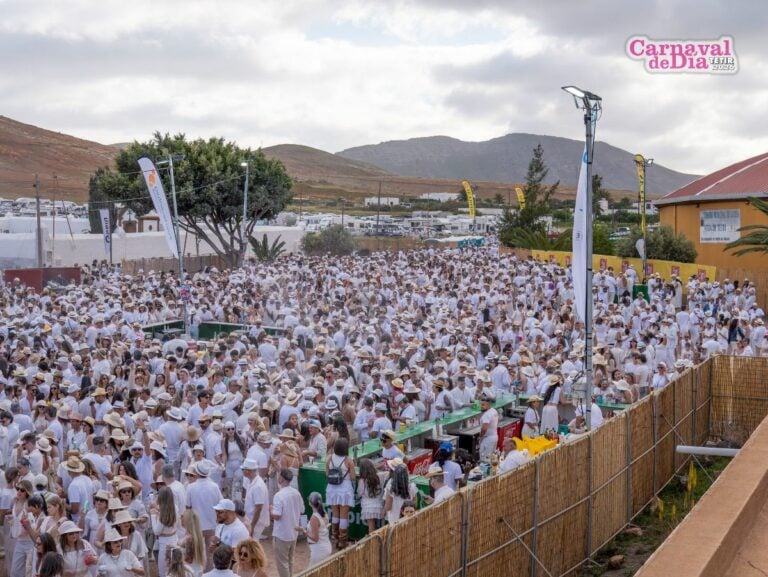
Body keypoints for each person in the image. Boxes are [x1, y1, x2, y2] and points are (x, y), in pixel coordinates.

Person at [270, 469, 303, 577]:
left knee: (282, 563)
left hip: (282, 534)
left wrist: (270, 509)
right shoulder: (296, 493)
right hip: (293, 533)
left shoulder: (279, 495)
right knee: (290, 561)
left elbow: (277, 516)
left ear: (281, 478)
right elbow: (302, 510)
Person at [325, 437, 355, 549]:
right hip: (345, 489)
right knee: (343, 516)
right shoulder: (348, 460)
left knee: (335, 514)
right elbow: (352, 477)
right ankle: (343, 541)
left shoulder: (329, 458)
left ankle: (335, 538)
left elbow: (327, 474)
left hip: (332, 489)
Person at [150, 486, 180, 577]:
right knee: (175, 569)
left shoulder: (163, 513)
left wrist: (153, 516)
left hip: (164, 543)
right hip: (175, 539)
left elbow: (156, 531)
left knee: (163, 572)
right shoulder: (175, 507)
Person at [299, 492, 332, 567]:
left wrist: (303, 531)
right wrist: (309, 524)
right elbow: (320, 527)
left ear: (310, 503)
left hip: (319, 550)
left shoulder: (314, 518)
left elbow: (315, 538)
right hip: (326, 547)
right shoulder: (324, 513)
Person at [241, 460, 269, 540]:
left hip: (256, 522)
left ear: (247, 471)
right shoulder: (252, 482)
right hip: (251, 519)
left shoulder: (258, 486)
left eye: (243, 470)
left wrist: (252, 526)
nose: (242, 471)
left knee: (252, 545)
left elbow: (258, 508)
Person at [357, 458, 384, 534]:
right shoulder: (379, 476)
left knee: (371, 527)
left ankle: (372, 543)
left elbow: (359, 493)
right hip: (379, 504)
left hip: (367, 507)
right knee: (380, 526)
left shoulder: (362, 481)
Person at [180, 510, 207, 577]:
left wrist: (175, 550)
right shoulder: (196, 536)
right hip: (196, 569)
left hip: (190, 571)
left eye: (183, 517)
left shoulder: (190, 539)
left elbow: (189, 559)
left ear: (187, 521)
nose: (181, 519)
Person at [478, 389, 499, 462]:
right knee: (492, 458)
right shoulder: (493, 410)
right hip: (494, 437)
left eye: (483, 405)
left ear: (489, 403)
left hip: (488, 439)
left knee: (485, 460)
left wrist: (481, 436)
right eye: (481, 404)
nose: (481, 406)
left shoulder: (487, 415)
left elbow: (484, 428)